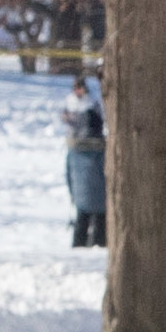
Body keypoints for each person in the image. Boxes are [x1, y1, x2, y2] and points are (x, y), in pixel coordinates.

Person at [63, 89, 108, 249]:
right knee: (101, 223)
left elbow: (68, 174)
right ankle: (100, 244)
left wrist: (73, 193)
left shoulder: (74, 150)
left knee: (81, 222)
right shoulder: (105, 150)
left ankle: (78, 246)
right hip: (103, 198)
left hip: (81, 198)